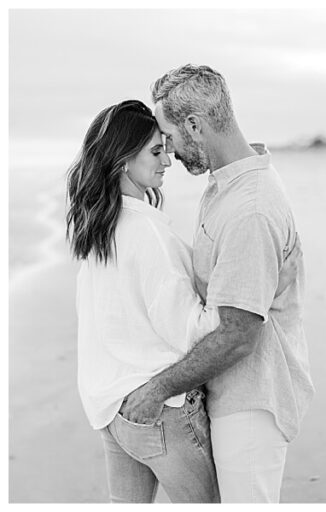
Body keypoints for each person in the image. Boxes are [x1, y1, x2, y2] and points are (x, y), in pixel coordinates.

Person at [116, 64, 314, 502]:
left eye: (169, 136)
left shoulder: (251, 209)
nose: (169, 151)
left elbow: (238, 334)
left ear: (194, 125)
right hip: (229, 394)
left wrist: (156, 389)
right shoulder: (229, 186)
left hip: (251, 402)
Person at [66, 100, 220, 502]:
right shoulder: (147, 233)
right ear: (122, 160)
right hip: (160, 413)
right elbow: (191, 332)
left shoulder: (97, 230)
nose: (167, 161)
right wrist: (244, 297)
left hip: (113, 412)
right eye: (155, 151)